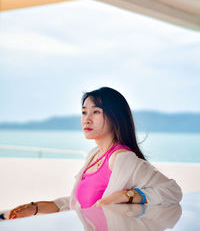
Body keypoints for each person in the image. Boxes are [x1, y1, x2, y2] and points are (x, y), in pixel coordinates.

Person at [8, 87, 182, 219]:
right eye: (84, 112)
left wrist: (127, 195)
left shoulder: (122, 158)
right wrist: (37, 207)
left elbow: (173, 191)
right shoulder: (94, 155)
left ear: (115, 116)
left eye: (96, 112)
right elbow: (81, 204)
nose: (87, 118)